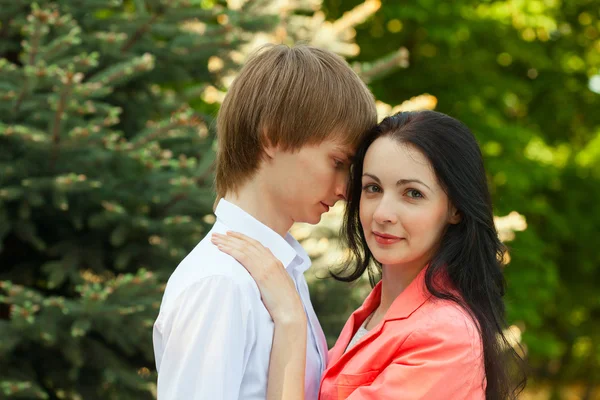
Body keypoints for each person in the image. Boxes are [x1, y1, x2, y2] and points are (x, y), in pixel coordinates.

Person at [212, 110, 526, 399]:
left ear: (455, 208)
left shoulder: (445, 334)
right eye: (372, 188)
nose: (383, 214)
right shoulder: (374, 311)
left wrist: (290, 319)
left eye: (412, 194)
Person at [152, 44, 377, 400]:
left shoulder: (279, 270)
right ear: (272, 136)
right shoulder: (221, 282)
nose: (345, 189)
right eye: (337, 161)